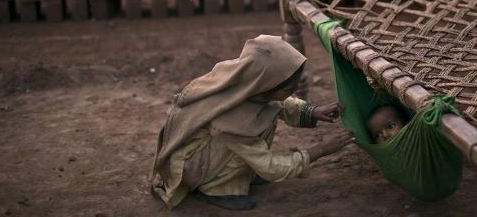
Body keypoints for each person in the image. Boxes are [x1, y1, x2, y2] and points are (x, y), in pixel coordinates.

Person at [150, 35, 354, 211]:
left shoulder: (242, 77)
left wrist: (312, 112)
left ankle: (242, 175)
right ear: (265, 85)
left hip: (206, 149)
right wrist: (320, 150)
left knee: (267, 112)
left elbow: (276, 101)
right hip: (194, 167)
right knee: (249, 136)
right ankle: (215, 189)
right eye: (289, 87)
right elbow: (270, 166)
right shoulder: (232, 122)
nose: (294, 91)